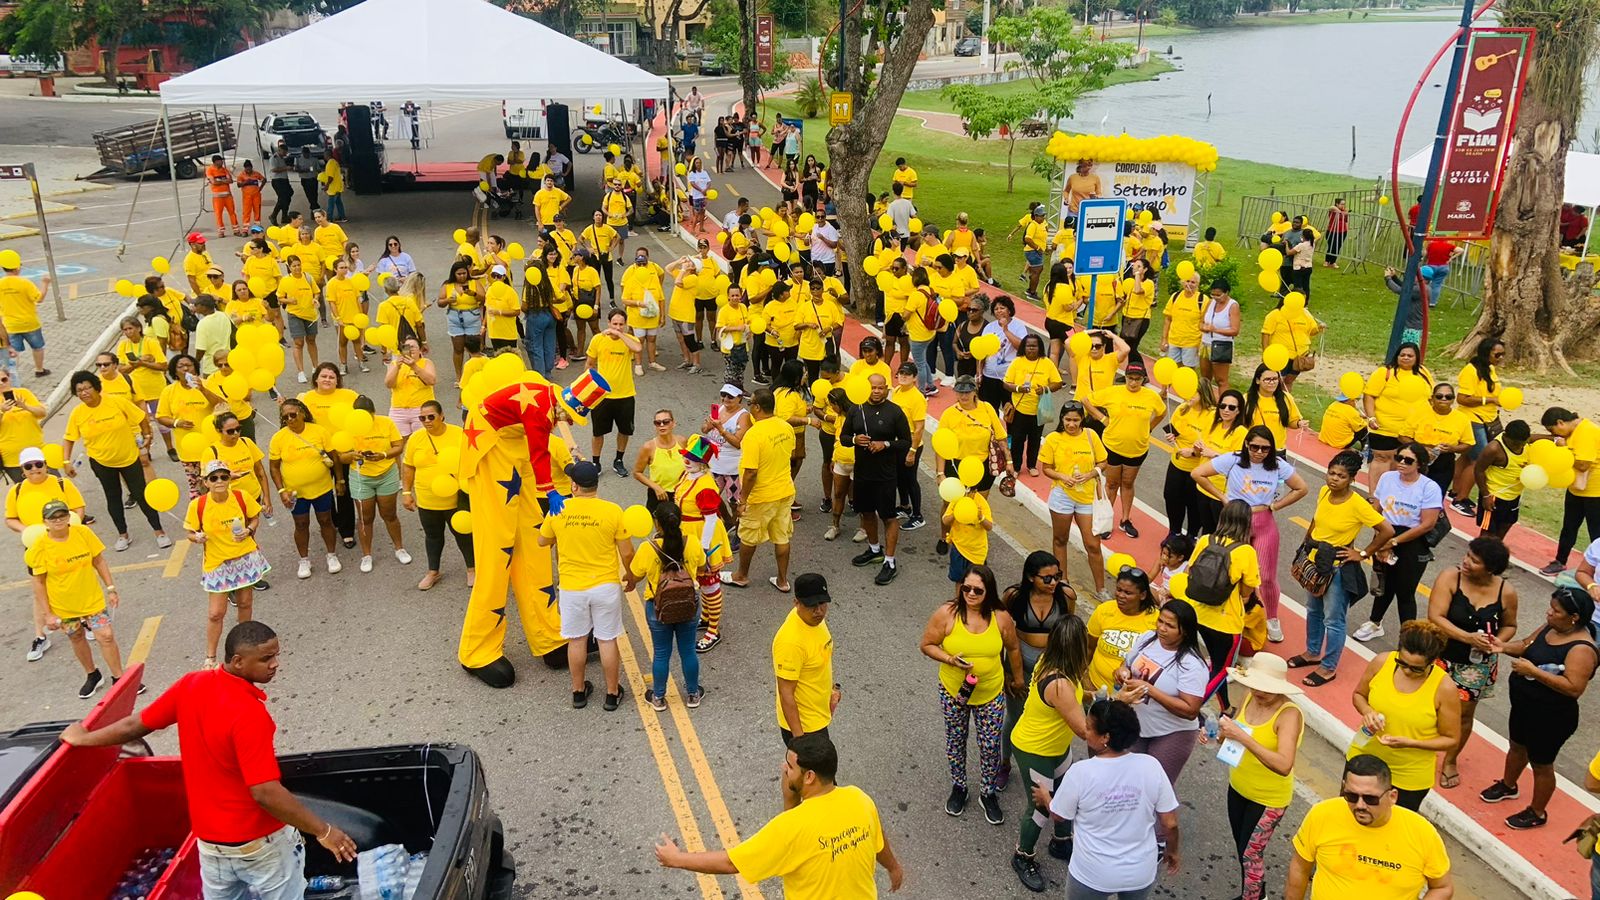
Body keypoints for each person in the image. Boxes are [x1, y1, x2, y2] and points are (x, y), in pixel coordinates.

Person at [60, 621, 359, 898]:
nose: (275, 664)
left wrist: (85, 739)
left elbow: (135, 724)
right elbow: (264, 791)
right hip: (261, 846)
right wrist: (324, 830)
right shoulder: (249, 715)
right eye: (266, 659)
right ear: (238, 661)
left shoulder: (192, 684)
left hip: (211, 847)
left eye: (276, 655)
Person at [654, 732, 903, 896]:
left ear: (809, 776)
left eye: (790, 765)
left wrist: (676, 859)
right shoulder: (860, 799)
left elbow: (731, 862)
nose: (783, 768)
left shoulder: (789, 828)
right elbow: (878, 839)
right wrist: (893, 868)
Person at [1031, 699, 1181, 900]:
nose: (1085, 732)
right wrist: (1172, 851)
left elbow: (1059, 816)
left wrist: (1045, 797)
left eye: (1089, 728)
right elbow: (1169, 823)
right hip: (1140, 872)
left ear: (1105, 737)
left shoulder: (1081, 773)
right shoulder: (1151, 766)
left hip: (1093, 873)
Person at [1483, 586, 1597, 829]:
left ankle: (1537, 812)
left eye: (1555, 611)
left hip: (1551, 717)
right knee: (1516, 746)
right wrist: (1501, 647)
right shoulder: (1552, 628)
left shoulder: (1581, 649)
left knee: (1542, 764)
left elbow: (1573, 687)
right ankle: (1508, 785)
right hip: (1525, 706)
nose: (1549, 613)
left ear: (1573, 617)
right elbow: (1526, 644)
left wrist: (1533, 671)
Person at [919, 564, 1025, 825]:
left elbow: (1012, 648)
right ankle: (959, 787)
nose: (971, 594)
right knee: (956, 741)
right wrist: (949, 659)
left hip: (990, 694)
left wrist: (1018, 678)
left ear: (988, 591)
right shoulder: (947, 614)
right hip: (955, 693)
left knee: (990, 746)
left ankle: (987, 792)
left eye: (978, 590)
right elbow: (927, 644)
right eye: (966, 588)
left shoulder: (1000, 617)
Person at [1193, 426, 1309, 644]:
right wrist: (1223, 498)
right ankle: (1220, 610)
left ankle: (1272, 618)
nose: (1259, 452)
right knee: (1225, 570)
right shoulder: (1232, 460)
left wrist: (1276, 506)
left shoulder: (1277, 465)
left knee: (1265, 576)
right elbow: (1197, 473)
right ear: (1246, 444)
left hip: (1264, 522)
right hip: (1234, 522)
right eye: (1254, 446)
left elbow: (1302, 488)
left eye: (1265, 448)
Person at [1290, 450, 1394, 687]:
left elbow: (1387, 530)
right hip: (1314, 563)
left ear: (1352, 479)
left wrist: (1363, 553)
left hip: (1337, 569)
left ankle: (1328, 667)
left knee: (1333, 620)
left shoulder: (1358, 504)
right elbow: (1316, 521)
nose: (1334, 479)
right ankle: (1312, 652)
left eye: (1341, 476)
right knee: (1313, 610)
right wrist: (1304, 546)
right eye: (1331, 473)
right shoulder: (1325, 491)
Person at [1286, 754, 1452, 899]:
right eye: (1351, 796)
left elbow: (1442, 887)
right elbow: (1300, 867)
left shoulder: (1422, 832)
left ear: (1392, 797)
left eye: (1370, 799)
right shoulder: (1322, 814)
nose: (1360, 805)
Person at [539, 460, 632, 710]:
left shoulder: (559, 508)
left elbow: (542, 541)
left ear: (573, 485)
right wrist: (632, 577)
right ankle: (612, 694)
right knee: (607, 639)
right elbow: (627, 552)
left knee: (577, 640)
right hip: (605, 586)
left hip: (572, 587)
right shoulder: (612, 511)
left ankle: (578, 692)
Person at [1008, 615, 1092, 892]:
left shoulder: (1053, 663)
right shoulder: (1059, 684)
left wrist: (1101, 696)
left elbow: (1078, 699)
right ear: (1079, 646)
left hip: (1056, 747)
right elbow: (1084, 730)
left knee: (1065, 792)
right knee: (1041, 807)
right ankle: (1023, 856)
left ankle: (1061, 841)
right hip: (1035, 749)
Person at [1214, 654, 1304, 900]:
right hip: (1239, 786)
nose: (1258, 692)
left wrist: (1241, 737)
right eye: (1254, 685)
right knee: (1242, 848)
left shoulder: (1289, 715)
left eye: (1265, 688)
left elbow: (1284, 764)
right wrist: (1221, 734)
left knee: (1250, 854)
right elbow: (1234, 734)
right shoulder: (1248, 698)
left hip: (1268, 799)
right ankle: (1254, 894)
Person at [1349, 620, 1461, 810]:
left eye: (1417, 668)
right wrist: (1368, 712)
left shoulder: (1444, 688)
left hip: (1408, 776)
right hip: (1363, 759)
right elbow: (1359, 695)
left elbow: (1451, 739)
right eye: (1402, 663)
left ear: (1433, 662)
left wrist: (1411, 743)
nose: (1408, 671)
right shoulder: (1382, 662)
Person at [27, 499, 127, 698]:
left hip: (92, 600)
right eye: (52, 518)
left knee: (106, 636)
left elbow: (98, 560)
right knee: (77, 637)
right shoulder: (39, 547)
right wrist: (48, 614)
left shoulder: (83, 533)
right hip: (64, 606)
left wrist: (111, 588)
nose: (58, 520)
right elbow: (38, 583)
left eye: (62, 515)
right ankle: (92, 674)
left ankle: (119, 678)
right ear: (45, 522)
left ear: (68, 517)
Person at [62, 369, 169, 552]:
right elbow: (69, 438)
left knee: (141, 494)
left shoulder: (116, 402)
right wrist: (66, 462)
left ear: (96, 388)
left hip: (129, 458)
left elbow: (140, 417)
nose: (84, 393)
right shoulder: (78, 413)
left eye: (88, 388)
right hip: (101, 462)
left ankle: (159, 531)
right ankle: (123, 535)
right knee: (113, 498)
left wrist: (147, 435)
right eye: (79, 390)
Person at [1116, 599, 1208, 802]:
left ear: (1184, 631)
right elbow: (1126, 664)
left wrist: (1150, 690)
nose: (1162, 628)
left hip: (1171, 732)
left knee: (1155, 790)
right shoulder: (1148, 638)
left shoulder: (1191, 664)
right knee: (1129, 783)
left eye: (1170, 626)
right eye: (1160, 621)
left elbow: (1190, 709)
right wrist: (1122, 672)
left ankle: (1161, 833)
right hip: (1137, 724)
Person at [1356, 440, 1445, 642]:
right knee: (1382, 584)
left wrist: (1394, 542)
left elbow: (1427, 524)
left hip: (1412, 540)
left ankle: (1408, 637)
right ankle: (1374, 622)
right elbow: (1376, 510)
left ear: (1420, 464)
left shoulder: (1429, 488)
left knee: (1405, 592)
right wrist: (1380, 538)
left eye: (1408, 460)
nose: (1402, 463)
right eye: (1399, 458)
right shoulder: (1387, 478)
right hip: (1386, 532)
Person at [185, 459, 271, 668]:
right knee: (216, 613)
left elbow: (254, 518)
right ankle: (211, 657)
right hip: (217, 564)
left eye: (224, 476)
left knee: (245, 603)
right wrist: (197, 538)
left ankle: (244, 648)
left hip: (244, 559)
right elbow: (190, 532)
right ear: (206, 482)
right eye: (214, 478)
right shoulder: (199, 505)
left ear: (229, 479)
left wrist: (249, 530)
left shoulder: (241, 497)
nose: (219, 481)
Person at [1002, 551, 1078, 767]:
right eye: (1047, 578)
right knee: (1015, 717)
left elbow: (1068, 632)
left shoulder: (1066, 596)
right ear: (1030, 578)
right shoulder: (1014, 596)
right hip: (1020, 665)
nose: (1054, 582)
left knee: (1055, 720)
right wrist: (1006, 673)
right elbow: (1000, 632)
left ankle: (1054, 765)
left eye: (1057, 576)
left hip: (1052, 667)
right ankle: (1005, 762)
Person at [627, 502, 706, 712]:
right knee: (688, 650)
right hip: (689, 606)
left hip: (658, 607)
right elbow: (703, 565)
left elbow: (634, 576)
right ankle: (692, 693)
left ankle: (659, 697)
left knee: (661, 653)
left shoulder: (647, 548)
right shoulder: (692, 543)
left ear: (657, 524)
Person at [1185, 500, 1261, 710]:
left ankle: (1225, 707)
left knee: (1210, 665)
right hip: (1227, 622)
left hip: (1198, 615)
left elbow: (1189, 572)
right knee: (1222, 669)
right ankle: (1192, 706)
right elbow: (1248, 591)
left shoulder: (1205, 540)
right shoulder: (1246, 551)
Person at [842, 373, 912, 586]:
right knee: (866, 513)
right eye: (873, 387)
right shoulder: (856, 409)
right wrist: (855, 439)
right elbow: (843, 438)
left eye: (880, 388)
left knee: (888, 518)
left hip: (886, 476)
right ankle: (874, 550)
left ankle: (890, 562)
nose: (876, 391)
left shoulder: (895, 412)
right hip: (862, 474)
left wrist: (886, 444)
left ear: (886, 389)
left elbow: (906, 441)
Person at [1086, 359, 1165, 540]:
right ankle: (1106, 520)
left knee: (1128, 484)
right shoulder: (1113, 392)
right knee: (1112, 484)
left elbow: (1161, 412)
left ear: (1143, 379)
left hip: (1137, 449)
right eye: (1130, 378)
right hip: (1112, 447)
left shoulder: (1151, 396)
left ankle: (1125, 519)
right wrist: (1102, 419)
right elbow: (1087, 400)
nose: (1133, 382)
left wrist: (1150, 427)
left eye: (1137, 379)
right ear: (1125, 377)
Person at [400, 400, 473, 591]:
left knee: (463, 534)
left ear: (442, 416)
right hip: (427, 500)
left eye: (430, 417)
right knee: (433, 536)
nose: (426, 421)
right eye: (422, 418)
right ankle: (433, 571)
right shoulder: (416, 438)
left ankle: (471, 568)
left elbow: (472, 461)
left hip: (456, 498)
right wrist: (406, 492)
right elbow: (408, 465)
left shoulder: (459, 434)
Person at [933, 375, 1010, 556]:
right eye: (960, 392)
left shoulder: (987, 409)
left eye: (968, 391)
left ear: (975, 391)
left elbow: (1001, 437)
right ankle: (944, 536)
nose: (964, 396)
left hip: (981, 466)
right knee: (949, 504)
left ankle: (973, 544)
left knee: (978, 506)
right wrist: (940, 473)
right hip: (956, 464)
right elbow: (941, 445)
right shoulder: (949, 414)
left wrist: (1010, 461)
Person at [727, 389, 796, 591]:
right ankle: (783, 580)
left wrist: (742, 500)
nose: (749, 408)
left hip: (761, 496)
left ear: (757, 407)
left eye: (751, 405)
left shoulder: (754, 435)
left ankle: (741, 575)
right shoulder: (786, 427)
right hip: (784, 491)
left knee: (748, 536)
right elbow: (790, 455)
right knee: (782, 537)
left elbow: (750, 473)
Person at [267, 398, 342, 580]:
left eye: (293, 414)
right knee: (301, 524)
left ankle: (331, 555)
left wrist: (340, 481)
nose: (290, 419)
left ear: (302, 412)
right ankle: (304, 560)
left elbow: (334, 456)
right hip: (295, 493)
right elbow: (274, 467)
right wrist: (281, 491)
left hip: (321, 488)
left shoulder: (318, 431)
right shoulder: (278, 438)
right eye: (286, 417)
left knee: (326, 520)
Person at [1040, 401, 1108, 596]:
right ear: (1062, 419)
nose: (1071, 424)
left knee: (1093, 544)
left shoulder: (1091, 435)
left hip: (1087, 498)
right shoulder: (1054, 438)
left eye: (1075, 420)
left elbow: (1103, 461)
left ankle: (1101, 589)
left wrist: (1090, 474)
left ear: (1082, 420)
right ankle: (1062, 581)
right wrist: (1063, 477)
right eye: (1067, 420)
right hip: (1062, 496)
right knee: (1060, 539)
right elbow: (1046, 468)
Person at [338, 395, 409, 573]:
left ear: (374, 413)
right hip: (361, 477)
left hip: (386, 474)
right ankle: (366, 555)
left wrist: (383, 455)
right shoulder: (347, 427)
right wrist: (353, 455)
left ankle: (399, 548)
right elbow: (341, 456)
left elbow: (398, 446)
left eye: (368, 416)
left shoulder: (386, 423)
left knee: (389, 514)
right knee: (365, 518)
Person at [771, 573, 838, 746]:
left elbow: (820, 656)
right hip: (805, 727)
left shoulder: (815, 620)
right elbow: (786, 693)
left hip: (818, 715)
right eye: (811, 605)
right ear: (796, 603)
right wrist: (800, 741)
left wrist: (831, 690)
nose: (818, 611)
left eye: (822, 603)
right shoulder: (790, 642)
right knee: (814, 772)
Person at [1362, 342, 1434, 490]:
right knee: (1383, 459)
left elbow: (1431, 397)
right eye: (1403, 355)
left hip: (1411, 430)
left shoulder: (1424, 373)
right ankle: (1374, 497)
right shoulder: (1385, 372)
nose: (1406, 358)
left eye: (1410, 355)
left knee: (1402, 462)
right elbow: (1369, 396)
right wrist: (1371, 417)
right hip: (1384, 428)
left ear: (1417, 358)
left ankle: (1392, 496)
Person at [1541, 407, 1600, 575]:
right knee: (1569, 527)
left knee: (1596, 533)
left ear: (1560, 422)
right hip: (1576, 488)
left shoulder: (1587, 432)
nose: (1555, 435)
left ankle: (1596, 570)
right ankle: (1560, 561)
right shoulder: (1574, 432)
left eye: (1553, 430)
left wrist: (1564, 449)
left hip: (1595, 493)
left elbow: (1583, 464)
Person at [1086, 566, 1163, 692]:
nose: (1121, 595)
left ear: (1143, 595)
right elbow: (1090, 647)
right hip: (1094, 687)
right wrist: (1083, 676)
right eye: (1119, 590)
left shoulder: (1156, 620)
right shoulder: (1104, 610)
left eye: (1128, 593)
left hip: (1130, 696)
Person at [587, 310, 644, 477]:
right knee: (598, 432)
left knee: (625, 431)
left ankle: (618, 460)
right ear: (608, 322)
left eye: (621, 324)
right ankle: (595, 462)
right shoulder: (598, 339)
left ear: (625, 325)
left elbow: (638, 347)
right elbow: (590, 364)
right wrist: (585, 391)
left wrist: (620, 335)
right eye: (614, 324)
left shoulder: (629, 340)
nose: (617, 327)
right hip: (602, 396)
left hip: (625, 394)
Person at [1452, 337, 1505, 514]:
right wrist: (1489, 399)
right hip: (1471, 420)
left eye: (1502, 355)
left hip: (1486, 420)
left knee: (1467, 457)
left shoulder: (1490, 369)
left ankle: (1454, 490)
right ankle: (1460, 499)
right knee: (1480, 459)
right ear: (1486, 352)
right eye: (1497, 354)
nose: (1500, 358)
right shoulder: (1470, 370)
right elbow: (1463, 399)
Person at [1003, 334, 1063, 477]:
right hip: (1019, 409)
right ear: (1024, 347)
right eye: (1028, 345)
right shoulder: (1017, 362)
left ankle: (1031, 465)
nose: (1031, 348)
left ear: (1040, 347)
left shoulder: (1047, 363)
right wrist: (1018, 389)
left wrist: (1045, 389)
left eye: (1034, 346)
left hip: (1039, 410)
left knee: (1035, 440)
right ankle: (1016, 467)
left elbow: (1058, 383)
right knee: (1017, 440)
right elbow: (1006, 383)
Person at [1163, 384, 1215, 537]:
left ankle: (1191, 536)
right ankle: (1174, 532)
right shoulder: (1182, 408)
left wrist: (1193, 452)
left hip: (1198, 469)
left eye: (1194, 392)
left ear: (1204, 394)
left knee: (1194, 505)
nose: (1189, 395)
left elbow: (1212, 446)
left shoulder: (1212, 416)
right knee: (1171, 498)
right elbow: (1175, 430)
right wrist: (1172, 437)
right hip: (1177, 464)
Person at [1472, 418, 1530, 539]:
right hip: (1494, 495)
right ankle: (1477, 555)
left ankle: (1493, 555)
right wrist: (1486, 495)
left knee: (1505, 527)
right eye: (1515, 444)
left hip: (1514, 496)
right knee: (1487, 532)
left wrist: (1557, 439)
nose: (1519, 446)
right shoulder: (1493, 449)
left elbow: (1539, 437)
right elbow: (1479, 470)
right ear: (1505, 436)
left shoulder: (1525, 440)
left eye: (1522, 443)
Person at [438, 260, 486, 378]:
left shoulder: (474, 283)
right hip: (455, 318)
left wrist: (473, 294)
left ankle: (474, 375)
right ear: (454, 274)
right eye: (459, 274)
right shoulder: (447, 285)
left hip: (472, 317)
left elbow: (484, 298)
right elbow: (440, 302)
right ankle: (459, 377)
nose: (462, 276)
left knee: (474, 349)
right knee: (458, 349)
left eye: (464, 273)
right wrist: (447, 300)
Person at [633, 407, 686, 512]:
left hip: (682, 493)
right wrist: (656, 487)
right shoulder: (648, 447)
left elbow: (692, 463)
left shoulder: (682, 441)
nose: (662, 425)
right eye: (658, 423)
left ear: (673, 423)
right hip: (660, 495)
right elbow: (637, 472)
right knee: (661, 527)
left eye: (666, 422)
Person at [1199, 278, 1240, 389]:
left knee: (1221, 380)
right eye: (1213, 295)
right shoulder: (1210, 303)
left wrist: (1215, 330)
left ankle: (1222, 403)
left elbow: (1235, 330)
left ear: (1226, 293)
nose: (1216, 298)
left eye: (1218, 295)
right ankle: (1207, 402)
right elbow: (1201, 322)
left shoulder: (1233, 306)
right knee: (1205, 378)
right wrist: (1203, 327)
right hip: (1206, 343)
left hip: (1221, 345)